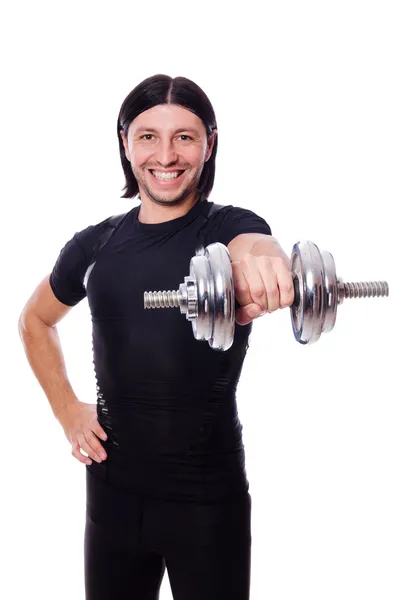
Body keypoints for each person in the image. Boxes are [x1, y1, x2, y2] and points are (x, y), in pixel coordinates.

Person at [18, 74, 294, 600]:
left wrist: (266, 264)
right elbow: (34, 321)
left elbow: (255, 246)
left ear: (209, 144)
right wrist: (67, 410)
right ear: (125, 142)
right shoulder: (95, 244)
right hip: (111, 499)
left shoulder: (227, 227)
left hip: (208, 504)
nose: (165, 155)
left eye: (185, 137)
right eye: (148, 136)